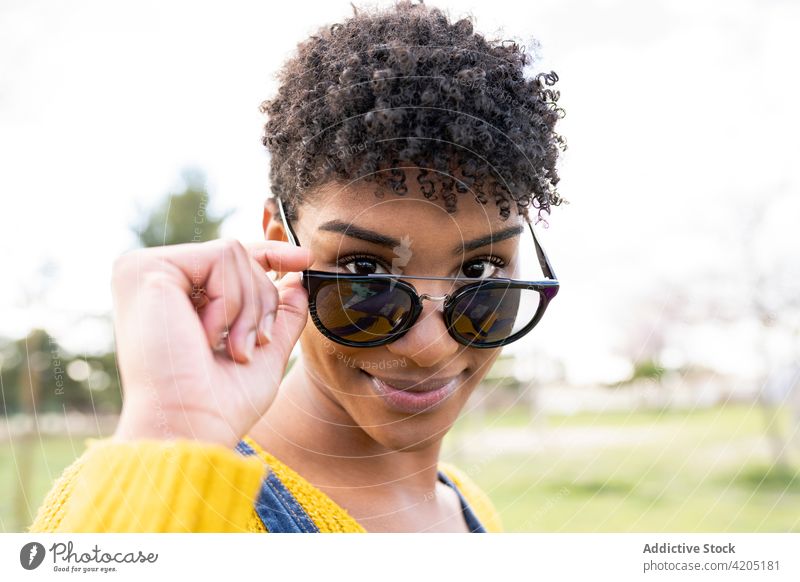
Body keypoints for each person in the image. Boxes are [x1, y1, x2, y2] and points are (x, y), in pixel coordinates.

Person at [28, 0, 566, 533]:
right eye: (365, 272)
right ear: (278, 238)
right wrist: (173, 435)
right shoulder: (138, 495)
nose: (430, 348)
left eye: (480, 273)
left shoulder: (470, 509)